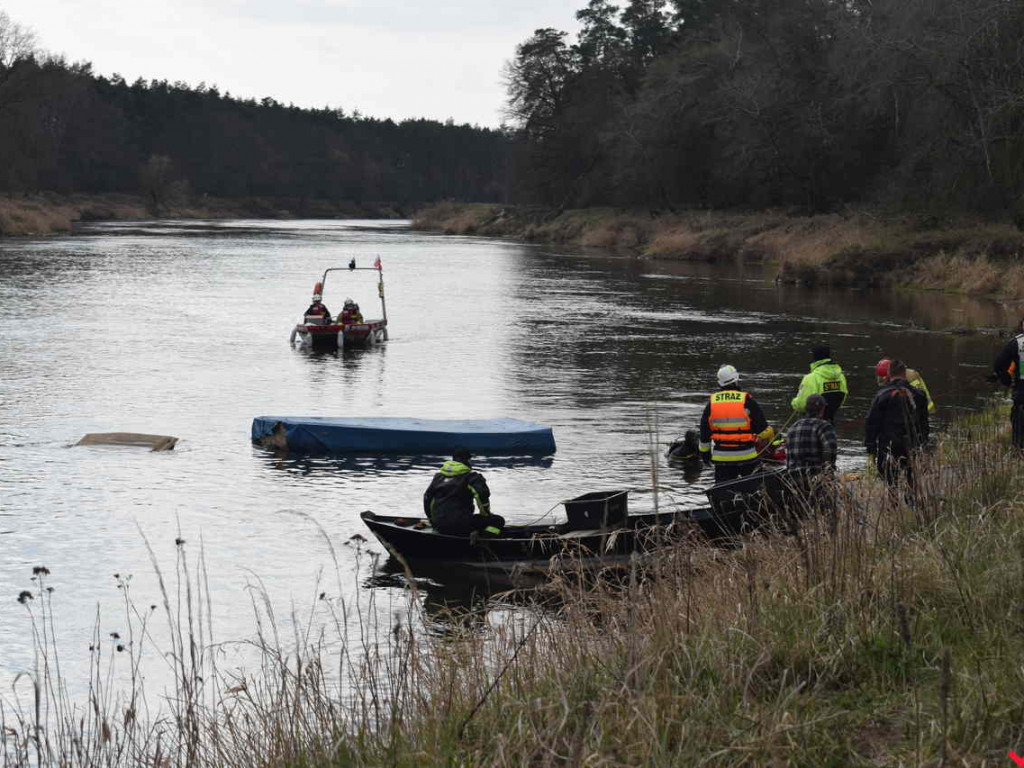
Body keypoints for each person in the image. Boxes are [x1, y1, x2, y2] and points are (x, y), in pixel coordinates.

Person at [865, 358, 929, 500]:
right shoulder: (919, 395)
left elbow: (871, 423)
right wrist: (924, 443)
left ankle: (893, 507)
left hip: (888, 445)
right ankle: (912, 503)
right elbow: (924, 423)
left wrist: (870, 448)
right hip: (912, 444)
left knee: (891, 482)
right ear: (904, 373)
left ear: (889, 374)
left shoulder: (882, 395)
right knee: (911, 477)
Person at [699, 364, 771, 483]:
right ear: (736, 379)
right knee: (752, 490)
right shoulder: (747, 401)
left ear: (720, 383)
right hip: (747, 456)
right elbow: (762, 430)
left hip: (721, 459)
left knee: (723, 491)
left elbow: (704, 434)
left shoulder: (712, 403)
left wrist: (705, 456)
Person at [423, 449, 504, 536]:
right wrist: (486, 514)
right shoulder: (472, 477)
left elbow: (427, 498)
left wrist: (432, 520)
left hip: (439, 524)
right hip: (462, 524)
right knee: (498, 521)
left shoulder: (438, 477)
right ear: (469, 460)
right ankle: (484, 539)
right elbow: (482, 494)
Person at [990, 315, 1024, 449]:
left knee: (1019, 429)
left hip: (1021, 393)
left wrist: (1005, 379)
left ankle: (1019, 453)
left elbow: (998, 365)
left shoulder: (1017, 343)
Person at [791, 345, 848, 423]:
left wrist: (794, 402)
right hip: (829, 421)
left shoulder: (811, 378)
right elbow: (842, 399)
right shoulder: (841, 377)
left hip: (810, 423)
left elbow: (802, 404)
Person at [786, 394, 837, 473]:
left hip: (793, 479)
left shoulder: (793, 427)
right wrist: (829, 473)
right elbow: (831, 451)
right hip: (815, 479)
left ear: (806, 408)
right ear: (822, 409)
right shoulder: (824, 426)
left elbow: (789, 458)